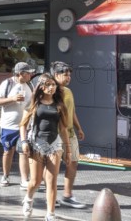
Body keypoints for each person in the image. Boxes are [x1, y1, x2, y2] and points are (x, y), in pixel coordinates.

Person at [19, 73, 70, 221]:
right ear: (41, 87)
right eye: (48, 85)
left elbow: (64, 128)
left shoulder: (59, 105)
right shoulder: (34, 103)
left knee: (52, 181)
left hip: (55, 144)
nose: (52, 87)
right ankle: (28, 198)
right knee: (35, 181)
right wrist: (23, 142)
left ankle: (50, 214)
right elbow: (22, 125)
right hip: (37, 143)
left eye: (53, 85)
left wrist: (68, 150)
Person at [0, 61, 35, 189]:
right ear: (21, 74)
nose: (30, 75)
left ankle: (24, 180)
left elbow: (32, 103)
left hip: (25, 126)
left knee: (24, 152)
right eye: (28, 73)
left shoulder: (30, 85)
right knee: (8, 152)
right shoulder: (8, 84)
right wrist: (12, 99)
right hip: (8, 126)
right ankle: (5, 175)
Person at [51, 61, 86, 209]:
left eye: (69, 75)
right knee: (53, 166)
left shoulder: (68, 91)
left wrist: (79, 128)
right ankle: (50, 198)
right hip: (55, 135)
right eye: (65, 75)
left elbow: (72, 112)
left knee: (73, 162)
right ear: (56, 75)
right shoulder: (50, 91)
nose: (68, 77)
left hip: (70, 133)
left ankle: (67, 195)